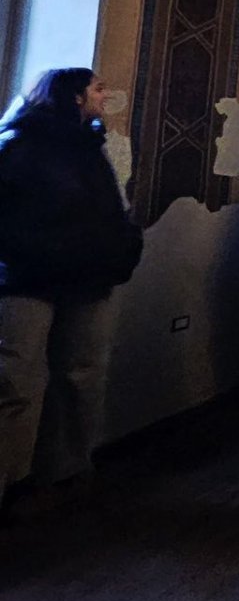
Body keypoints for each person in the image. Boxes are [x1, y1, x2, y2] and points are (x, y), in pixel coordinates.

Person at [0, 68, 143, 507]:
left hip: (87, 276)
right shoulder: (19, 143)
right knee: (15, 381)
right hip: (27, 278)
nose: (105, 94)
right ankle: (10, 481)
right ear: (76, 96)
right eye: (98, 88)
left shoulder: (89, 145)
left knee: (83, 374)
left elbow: (109, 210)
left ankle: (64, 471)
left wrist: (123, 249)